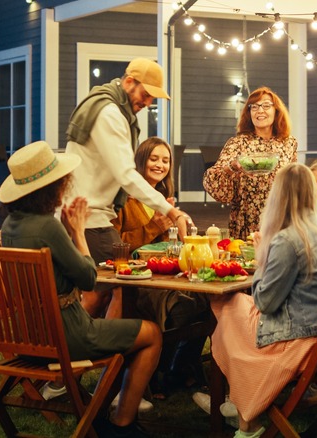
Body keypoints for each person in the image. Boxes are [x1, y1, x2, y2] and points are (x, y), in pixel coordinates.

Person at [0, 141, 161, 438]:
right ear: (54, 187)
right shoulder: (47, 226)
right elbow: (88, 279)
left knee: (121, 331)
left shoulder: (11, 225)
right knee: (151, 334)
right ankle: (121, 424)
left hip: (25, 335)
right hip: (63, 335)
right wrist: (78, 232)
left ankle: (98, 406)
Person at [206, 163, 317, 437]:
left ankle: (244, 413)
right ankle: (240, 402)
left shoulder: (289, 239)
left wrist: (261, 261)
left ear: (277, 195)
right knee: (233, 306)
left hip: (301, 337)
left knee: (227, 308)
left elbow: (266, 302)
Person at [64, 57, 191, 318]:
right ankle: (74, 343)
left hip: (93, 213)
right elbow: (125, 173)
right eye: (146, 94)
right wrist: (172, 211)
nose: (147, 103)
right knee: (112, 287)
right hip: (90, 217)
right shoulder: (110, 113)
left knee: (112, 289)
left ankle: (106, 350)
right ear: (129, 82)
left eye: (151, 98)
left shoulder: (112, 109)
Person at [111, 137, 210, 400]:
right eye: (154, 159)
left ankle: (178, 368)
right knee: (183, 308)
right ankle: (155, 373)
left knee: (208, 303)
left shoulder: (162, 200)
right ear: (141, 161)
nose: (160, 165)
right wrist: (156, 225)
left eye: (165, 160)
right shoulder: (123, 199)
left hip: (164, 277)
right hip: (136, 284)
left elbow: (167, 245)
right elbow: (116, 245)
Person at [203, 86, 298, 240]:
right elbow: (214, 180)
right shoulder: (237, 143)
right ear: (249, 113)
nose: (260, 110)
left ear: (277, 111)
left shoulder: (289, 143)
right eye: (254, 107)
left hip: (282, 218)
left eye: (266, 105)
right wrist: (232, 167)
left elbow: (294, 179)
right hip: (247, 219)